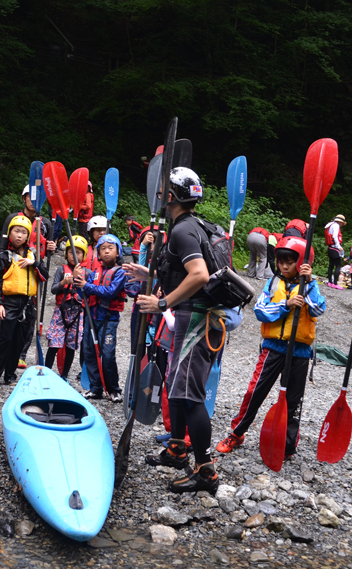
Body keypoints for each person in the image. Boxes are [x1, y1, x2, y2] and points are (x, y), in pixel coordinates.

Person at [127, 167, 221, 495]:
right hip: (192, 318)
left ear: (170, 197)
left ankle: (205, 469)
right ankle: (179, 448)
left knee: (188, 395)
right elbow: (182, 273)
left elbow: (198, 275)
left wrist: (162, 303)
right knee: (176, 387)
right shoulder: (192, 226)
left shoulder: (182, 231)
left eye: (164, 192)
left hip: (195, 320)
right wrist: (150, 277)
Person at [216, 237, 325, 459]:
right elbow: (260, 311)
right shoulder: (273, 283)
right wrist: (286, 305)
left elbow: (317, 310)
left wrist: (309, 284)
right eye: (281, 261)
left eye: (289, 262)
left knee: (293, 401)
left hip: (300, 352)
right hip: (274, 348)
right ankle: (237, 433)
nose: (284, 266)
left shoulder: (311, 285)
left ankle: (287, 444)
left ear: (302, 263)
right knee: (254, 392)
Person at [0, 186, 55, 369]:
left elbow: (46, 250)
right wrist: (3, 266)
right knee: (2, 316)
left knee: (29, 316)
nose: (33, 201)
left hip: (34, 271)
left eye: (37, 198)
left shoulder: (46, 223)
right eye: (30, 197)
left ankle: (21, 354)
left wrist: (51, 248)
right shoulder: (13, 218)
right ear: (23, 198)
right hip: (12, 267)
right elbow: (3, 245)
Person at [0, 215, 48, 387]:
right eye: (16, 231)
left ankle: (10, 375)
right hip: (9, 303)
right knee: (5, 340)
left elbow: (44, 276)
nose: (19, 235)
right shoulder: (4, 256)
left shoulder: (32, 256)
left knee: (18, 342)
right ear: (10, 234)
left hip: (27, 305)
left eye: (23, 232)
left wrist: (33, 263)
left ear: (28, 236)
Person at [75, 234, 126, 401]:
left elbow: (111, 292)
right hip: (92, 317)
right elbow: (82, 293)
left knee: (108, 354)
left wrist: (86, 286)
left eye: (111, 248)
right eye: (103, 248)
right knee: (89, 352)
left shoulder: (120, 273)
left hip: (109, 319)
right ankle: (95, 388)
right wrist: (78, 280)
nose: (106, 251)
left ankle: (114, 389)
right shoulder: (94, 273)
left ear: (118, 252)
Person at [46, 236, 87, 379]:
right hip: (61, 311)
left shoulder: (86, 273)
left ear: (84, 255)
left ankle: (64, 375)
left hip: (77, 312)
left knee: (71, 345)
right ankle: (45, 372)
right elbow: (53, 290)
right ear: (66, 254)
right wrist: (64, 282)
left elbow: (89, 292)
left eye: (79, 252)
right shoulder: (61, 270)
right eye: (71, 252)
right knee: (54, 343)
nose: (75, 255)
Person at [324, 214, 346, 288]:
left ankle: (330, 282)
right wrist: (339, 246)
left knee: (331, 265)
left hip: (330, 248)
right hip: (335, 248)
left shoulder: (330, 225)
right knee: (338, 266)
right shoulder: (336, 225)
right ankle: (335, 283)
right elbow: (335, 236)